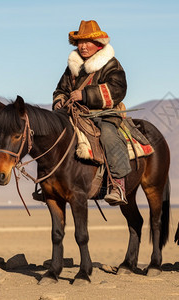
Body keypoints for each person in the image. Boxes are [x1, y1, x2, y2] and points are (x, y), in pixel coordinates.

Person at [52, 20, 131, 206]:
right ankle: (51, 182)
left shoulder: (111, 64)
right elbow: (60, 89)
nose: (83, 46)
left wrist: (85, 94)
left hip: (104, 114)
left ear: (98, 44)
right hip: (76, 114)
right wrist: (60, 101)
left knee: (108, 135)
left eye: (87, 42)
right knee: (55, 135)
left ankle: (118, 185)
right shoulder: (73, 66)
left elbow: (118, 89)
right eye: (80, 42)